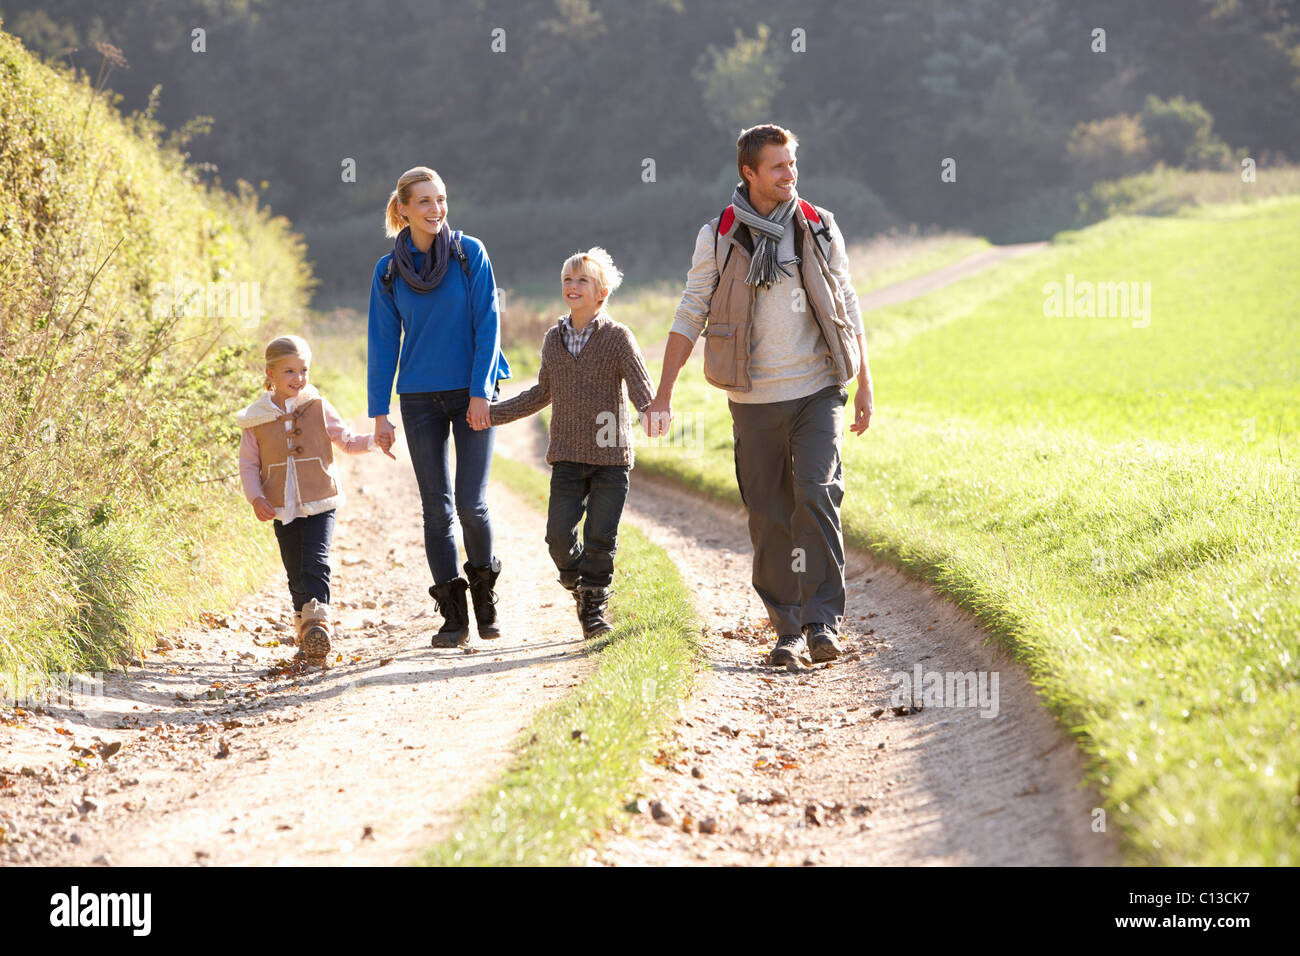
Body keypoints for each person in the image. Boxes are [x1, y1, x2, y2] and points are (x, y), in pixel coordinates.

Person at [644, 124, 874, 667]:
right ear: (748, 173)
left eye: (793, 163)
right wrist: (664, 393)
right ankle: (787, 628)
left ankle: (824, 623)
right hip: (753, 399)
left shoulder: (818, 227)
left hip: (819, 389)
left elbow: (847, 302)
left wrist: (866, 381)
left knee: (816, 494)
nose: (790, 175)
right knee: (769, 512)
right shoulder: (720, 235)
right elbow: (690, 311)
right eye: (778, 167)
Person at [368, 166, 512, 648]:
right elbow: (383, 343)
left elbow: (488, 324)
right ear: (403, 208)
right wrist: (379, 413)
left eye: (442, 200)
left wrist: (479, 391)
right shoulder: (388, 272)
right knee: (437, 510)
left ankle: (485, 600)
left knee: (471, 503)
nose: (436, 210)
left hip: (473, 392)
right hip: (418, 399)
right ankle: (453, 617)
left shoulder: (470, 255)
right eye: (425, 202)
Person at [479, 248, 654, 637]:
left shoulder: (617, 337)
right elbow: (541, 393)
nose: (572, 287)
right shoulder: (552, 341)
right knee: (558, 537)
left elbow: (642, 386)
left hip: (611, 457)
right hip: (567, 458)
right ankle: (580, 583)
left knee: (600, 537)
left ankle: (593, 607)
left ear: (602, 293)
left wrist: (651, 411)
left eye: (582, 281)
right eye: (567, 281)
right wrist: (492, 414)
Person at [237, 334, 389, 665]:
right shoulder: (256, 418)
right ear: (270, 374)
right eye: (289, 371)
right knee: (294, 571)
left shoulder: (318, 405)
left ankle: (319, 622)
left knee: (315, 561)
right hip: (280, 504)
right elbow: (248, 464)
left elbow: (346, 441)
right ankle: (305, 634)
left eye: (303, 370)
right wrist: (255, 497)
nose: (298, 378)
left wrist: (375, 441)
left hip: (321, 499)